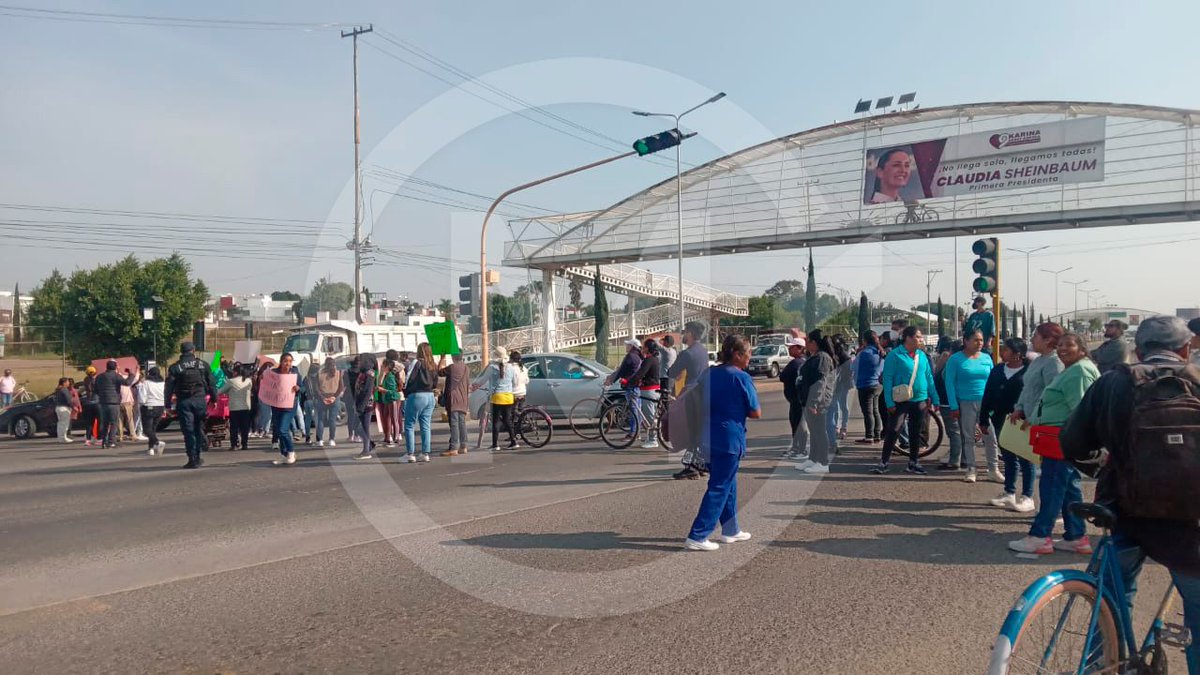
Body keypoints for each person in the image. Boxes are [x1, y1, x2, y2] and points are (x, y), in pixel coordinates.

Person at [1060, 316, 1200, 674]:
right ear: (1187, 349)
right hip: (1189, 523)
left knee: (1110, 602)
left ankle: (1101, 666)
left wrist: (1102, 465)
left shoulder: (1113, 383)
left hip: (1125, 513)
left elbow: (1072, 443)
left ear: (1138, 351)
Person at [1007, 333, 1100, 555]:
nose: (1062, 349)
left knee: (1051, 488)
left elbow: (1080, 410)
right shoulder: (1073, 369)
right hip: (1057, 437)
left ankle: (1040, 536)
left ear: (1083, 349)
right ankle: (1076, 536)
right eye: (1059, 345)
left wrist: (1074, 441)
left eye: (1069, 345)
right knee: (1068, 488)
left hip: (1062, 438)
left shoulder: (1080, 371)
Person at [683, 334, 761, 551]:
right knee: (719, 486)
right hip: (729, 438)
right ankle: (698, 535)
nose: (749, 359)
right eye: (748, 354)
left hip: (707, 437)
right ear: (737, 355)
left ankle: (731, 529)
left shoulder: (709, 373)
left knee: (728, 483)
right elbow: (756, 412)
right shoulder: (741, 377)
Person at [872, 326, 939, 475]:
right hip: (901, 399)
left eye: (921, 337)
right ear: (907, 338)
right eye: (918, 337)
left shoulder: (922, 356)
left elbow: (929, 377)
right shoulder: (895, 355)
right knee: (894, 429)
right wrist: (889, 402)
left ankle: (913, 462)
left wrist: (935, 398)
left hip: (920, 399)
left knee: (916, 432)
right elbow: (888, 379)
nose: (921, 340)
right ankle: (884, 462)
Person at [981, 338, 1034, 512]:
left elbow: (1034, 395)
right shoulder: (997, 370)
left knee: (1026, 458)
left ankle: (1027, 496)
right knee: (1009, 457)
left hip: (1022, 421)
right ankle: (1009, 492)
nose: (1002, 352)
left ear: (1018, 354)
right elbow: (988, 394)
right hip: (1000, 420)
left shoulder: (1029, 371)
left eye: (1006, 350)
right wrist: (983, 418)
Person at [945, 329, 1002, 484]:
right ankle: (971, 468)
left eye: (981, 340)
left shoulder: (986, 358)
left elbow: (993, 381)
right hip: (965, 403)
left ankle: (993, 469)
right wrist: (953, 405)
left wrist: (995, 403)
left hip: (985, 403)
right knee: (969, 437)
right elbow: (949, 382)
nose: (980, 343)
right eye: (976, 340)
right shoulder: (955, 359)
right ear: (966, 341)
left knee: (990, 437)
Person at [668, 321, 712, 480]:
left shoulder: (687, 353)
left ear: (691, 334)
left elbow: (671, 371)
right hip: (704, 393)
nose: (683, 335)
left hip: (691, 395)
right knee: (699, 431)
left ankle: (691, 467)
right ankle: (701, 465)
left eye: (685, 332)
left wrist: (678, 372)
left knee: (690, 431)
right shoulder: (702, 351)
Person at [164, 343, 217, 469]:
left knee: (188, 430)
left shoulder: (175, 367)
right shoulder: (203, 365)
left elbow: (169, 387)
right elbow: (212, 383)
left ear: (181, 351)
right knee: (198, 428)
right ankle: (197, 456)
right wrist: (214, 399)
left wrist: (167, 404)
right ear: (193, 350)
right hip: (199, 400)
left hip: (184, 402)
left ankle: (192, 458)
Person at [796, 334, 837, 474]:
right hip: (810, 400)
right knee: (814, 431)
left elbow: (820, 382)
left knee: (819, 431)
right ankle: (813, 459)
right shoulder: (816, 356)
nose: (805, 344)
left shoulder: (822, 358)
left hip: (819, 402)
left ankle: (823, 462)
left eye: (807, 341)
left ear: (814, 342)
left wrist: (814, 403)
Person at [473, 346, 518, 451]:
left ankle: (495, 445)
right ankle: (514, 442)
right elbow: (515, 382)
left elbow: (482, 380)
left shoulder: (492, 367)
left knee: (496, 421)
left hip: (497, 397)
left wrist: (475, 385)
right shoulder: (511, 368)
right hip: (508, 397)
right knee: (507, 420)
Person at [402, 343, 439, 463]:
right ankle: (425, 453)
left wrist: (406, 392)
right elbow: (435, 382)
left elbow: (409, 379)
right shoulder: (433, 364)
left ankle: (410, 453)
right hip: (430, 396)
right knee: (426, 425)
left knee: (409, 425)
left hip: (417, 395)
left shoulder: (416, 362)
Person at [265, 352, 304, 466]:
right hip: (276, 404)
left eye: (290, 361)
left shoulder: (295, 373)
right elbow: (267, 384)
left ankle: (291, 452)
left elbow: (303, 387)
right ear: (281, 362)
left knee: (283, 430)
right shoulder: (274, 373)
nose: (288, 363)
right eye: (285, 361)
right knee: (278, 429)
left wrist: (298, 388)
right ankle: (283, 454)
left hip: (290, 405)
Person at [933, 340, 965, 471]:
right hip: (958, 401)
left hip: (948, 403)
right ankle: (964, 459)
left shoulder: (951, 363)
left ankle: (954, 460)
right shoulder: (962, 362)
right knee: (961, 432)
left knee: (954, 432)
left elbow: (943, 379)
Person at [624, 339, 662, 449]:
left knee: (649, 416)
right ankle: (651, 437)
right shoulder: (653, 359)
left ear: (647, 348)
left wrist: (629, 382)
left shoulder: (649, 360)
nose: (642, 348)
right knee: (650, 415)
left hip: (649, 391)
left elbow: (640, 374)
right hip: (653, 390)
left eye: (644, 346)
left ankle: (653, 440)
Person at [95, 360, 136, 449]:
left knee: (105, 423)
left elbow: (96, 390)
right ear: (115, 367)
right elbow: (127, 383)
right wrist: (131, 374)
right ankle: (111, 442)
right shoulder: (116, 376)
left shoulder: (99, 377)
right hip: (114, 403)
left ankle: (104, 442)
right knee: (114, 423)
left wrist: (103, 396)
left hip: (103, 403)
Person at [780, 335, 809, 459]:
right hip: (797, 399)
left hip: (798, 399)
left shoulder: (796, 363)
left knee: (799, 425)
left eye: (792, 347)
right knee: (796, 423)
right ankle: (796, 448)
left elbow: (782, 377)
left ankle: (800, 450)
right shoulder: (804, 361)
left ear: (799, 348)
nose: (789, 349)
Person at [853, 331, 884, 445]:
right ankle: (877, 435)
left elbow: (853, 367)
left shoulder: (864, 353)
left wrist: (857, 354)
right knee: (875, 410)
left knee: (867, 412)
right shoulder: (880, 352)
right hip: (878, 384)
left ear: (865, 341)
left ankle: (869, 436)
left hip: (865, 384)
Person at [437, 353, 470, 456]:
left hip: (453, 399)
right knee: (462, 423)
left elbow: (439, 372)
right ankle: (463, 446)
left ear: (453, 357)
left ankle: (454, 448)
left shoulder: (452, 367)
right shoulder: (466, 368)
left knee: (454, 423)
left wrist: (442, 359)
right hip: (463, 399)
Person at [827, 334, 854, 445]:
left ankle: (842, 427)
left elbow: (849, 373)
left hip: (843, 384)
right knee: (838, 405)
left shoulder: (844, 357)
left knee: (841, 405)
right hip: (838, 384)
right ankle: (839, 427)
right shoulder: (835, 356)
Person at [351, 353, 378, 460]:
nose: (359, 362)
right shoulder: (363, 372)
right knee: (357, 426)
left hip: (366, 404)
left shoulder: (369, 374)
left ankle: (366, 451)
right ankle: (369, 444)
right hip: (361, 403)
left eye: (361, 360)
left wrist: (360, 407)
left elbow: (366, 392)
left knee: (362, 427)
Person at [220, 364, 253, 451]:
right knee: (244, 427)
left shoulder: (231, 381)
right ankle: (244, 444)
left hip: (234, 408)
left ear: (236, 372)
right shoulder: (249, 381)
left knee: (234, 427)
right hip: (246, 407)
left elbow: (220, 391)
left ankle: (234, 444)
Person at [314, 357, 342, 448]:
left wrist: (322, 398)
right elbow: (341, 387)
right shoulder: (338, 373)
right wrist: (334, 396)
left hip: (323, 397)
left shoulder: (320, 373)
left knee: (321, 420)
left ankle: (320, 440)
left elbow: (316, 388)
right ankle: (331, 440)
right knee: (332, 420)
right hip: (334, 397)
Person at [138, 367, 167, 455]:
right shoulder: (163, 383)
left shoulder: (146, 383)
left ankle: (157, 442)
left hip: (149, 407)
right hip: (160, 407)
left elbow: (142, 397)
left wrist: (141, 403)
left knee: (147, 430)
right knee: (153, 429)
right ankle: (151, 448)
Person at [376, 360, 400, 448]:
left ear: (386, 367)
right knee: (386, 418)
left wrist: (382, 390)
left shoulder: (390, 376)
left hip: (392, 399)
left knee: (394, 419)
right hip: (387, 400)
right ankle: (387, 437)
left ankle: (396, 439)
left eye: (383, 366)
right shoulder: (386, 375)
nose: (381, 367)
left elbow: (393, 391)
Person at [79, 366, 100, 446]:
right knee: (99, 422)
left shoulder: (85, 380)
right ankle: (98, 438)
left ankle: (88, 439)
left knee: (89, 423)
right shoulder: (97, 381)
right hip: (97, 403)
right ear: (95, 373)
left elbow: (80, 391)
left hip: (88, 404)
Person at [53, 377, 74, 443]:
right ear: (64, 383)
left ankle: (60, 437)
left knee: (60, 423)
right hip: (64, 408)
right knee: (65, 424)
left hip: (58, 407)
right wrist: (72, 406)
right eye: (67, 382)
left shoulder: (58, 389)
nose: (68, 383)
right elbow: (68, 399)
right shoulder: (64, 390)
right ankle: (64, 438)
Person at [118, 373, 136, 442]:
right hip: (127, 402)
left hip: (119, 403)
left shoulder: (115, 382)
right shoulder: (127, 382)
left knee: (120, 420)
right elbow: (136, 378)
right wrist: (136, 370)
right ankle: (132, 435)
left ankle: (120, 436)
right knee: (130, 420)